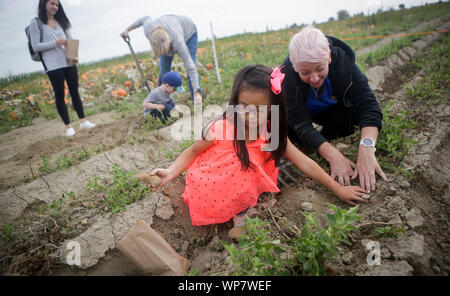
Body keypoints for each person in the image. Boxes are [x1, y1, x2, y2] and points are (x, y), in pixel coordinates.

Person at [149, 64, 368, 238]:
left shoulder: (271, 129)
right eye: (243, 105)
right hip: (216, 179)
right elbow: (193, 151)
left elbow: (304, 162)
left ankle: (251, 197)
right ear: (235, 100)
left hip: (244, 170)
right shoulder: (220, 128)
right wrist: (170, 171)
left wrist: (337, 188)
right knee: (243, 165)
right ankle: (240, 213)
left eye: (258, 109)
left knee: (273, 165)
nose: (248, 115)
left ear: (273, 108)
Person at [281, 25, 387, 194]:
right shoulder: (288, 77)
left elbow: (368, 106)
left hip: (335, 116)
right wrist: (334, 156)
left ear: (329, 57)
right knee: (282, 119)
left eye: (320, 68)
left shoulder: (344, 65)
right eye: (305, 72)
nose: (314, 78)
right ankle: (302, 148)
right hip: (306, 116)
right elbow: (299, 122)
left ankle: (325, 137)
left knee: (350, 120)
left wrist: (366, 149)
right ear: (295, 66)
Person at [29, 0, 95, 137]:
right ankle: (68, 127)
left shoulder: (61, 21)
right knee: (60, 95)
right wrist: (55, 43)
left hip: (68, 62)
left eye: (57, 4)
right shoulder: (36, 23)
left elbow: (70, 40)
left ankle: (83, 121)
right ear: (43, 3)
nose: (55, 7)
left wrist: (74, 56)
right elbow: (36, 46)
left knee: (74, 92)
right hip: (52, 65)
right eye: (52, 3)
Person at [121, 15, 202, 103]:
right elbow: (145, 18)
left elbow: (191, 68)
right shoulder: (149, 30)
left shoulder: (178, 41)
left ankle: (197, 100)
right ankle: (163, 102)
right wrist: (127, 30)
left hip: (189, 33)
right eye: (163, 52)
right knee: (163, 72)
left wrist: (196, 91)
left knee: (190, 66)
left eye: (166, 50)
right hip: (167, 35)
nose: (167, 53)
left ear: (169, 42)